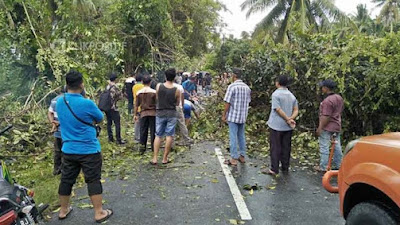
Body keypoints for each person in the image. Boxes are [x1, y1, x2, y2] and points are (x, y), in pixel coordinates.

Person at [56, 70, 113, 223]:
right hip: (89, 150)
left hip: (68, 149)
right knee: (93, 180)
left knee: (66, 180)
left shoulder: (60, 102)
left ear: (66, 84)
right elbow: (100, 118)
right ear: (81, 84)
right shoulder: (87, 103)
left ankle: (63, 210)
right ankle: (99, 213)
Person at [263, 75, 298, 176]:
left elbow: (277, 109)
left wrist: (287, 119)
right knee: (286, 146)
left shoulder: (276, 94)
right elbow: (296, 109)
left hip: (276, 126)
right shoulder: (291, 95)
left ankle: (274, 169)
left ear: (278, 83)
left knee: (275, 147)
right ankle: (285, 167)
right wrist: (291, 119)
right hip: (288, 127)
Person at [222, 68, 251, 166]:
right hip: (242, 116)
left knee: (233, 136)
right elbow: (248, 102)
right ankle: (242, 156)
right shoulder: (247, 88)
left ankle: (233, 158)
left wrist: (224, 115)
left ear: (234, 76)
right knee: (241, 136)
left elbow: (227, 102)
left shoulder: (232, 87)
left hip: (233, 116)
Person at [151, 68, 180, 165]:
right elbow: (177, 103)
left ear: (165, 76)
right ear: (174, 77)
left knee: (158, 135)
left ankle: (154, 158)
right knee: (169, 135)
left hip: (160, 113)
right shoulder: (177, 90)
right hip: (171, 113)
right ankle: (164, 158)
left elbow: (157, 98)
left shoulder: (159, 86)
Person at [315, 79, 344, 172]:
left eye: (323, 87)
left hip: (327, 127)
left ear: (326, 88)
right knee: (336, 146)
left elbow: (326, 116)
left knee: (324, 146)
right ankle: (338, 165)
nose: (321, 89)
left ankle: (323, 166)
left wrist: (320, 128)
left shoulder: (327, 101)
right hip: (336, 125)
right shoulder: (339, 98)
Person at [135, 75, 157, 154]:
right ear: (150, 82)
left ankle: (142, 149)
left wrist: (135, 114)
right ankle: (154, 148)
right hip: (153, 113)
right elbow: (156, 103)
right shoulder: (154, 92)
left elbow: (136, 105)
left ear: (142, 82)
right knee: (153, 131)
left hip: (143, 113)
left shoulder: (139, 93)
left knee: (143, 131)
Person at [48, 87, 66, 176]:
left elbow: (50, 112)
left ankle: (56, 170)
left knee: (57, 151)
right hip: (65, 131)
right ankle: (64, 170)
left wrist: (53, 122)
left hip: (57, 130)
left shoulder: (54, 100)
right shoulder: (66, 100)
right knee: (65, 151)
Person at [105, 73, 125, 145]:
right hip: (113, 107)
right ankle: (118, 139)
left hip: (107, 107)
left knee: (109, 123)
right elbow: (120, 97)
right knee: (117, 123)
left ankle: (110, 138)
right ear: (115, 79)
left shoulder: (107, 87)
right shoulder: (115, 87)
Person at [173, 77, 193, 146]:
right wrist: (182, 106)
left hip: (169, 107)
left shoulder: (166, 86)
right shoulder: (180, 87)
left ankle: (170, 141)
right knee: (182, 123)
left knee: (170, 124)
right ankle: (186, 140)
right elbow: (182, 98)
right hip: (179, 107)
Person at [133, 74, 145, 143]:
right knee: (142, 123)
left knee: (137, 123)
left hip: (136, 106)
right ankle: (141, 137)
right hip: (142, 106)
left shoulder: (134, 87)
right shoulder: (143, 86)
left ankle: (136, 137)